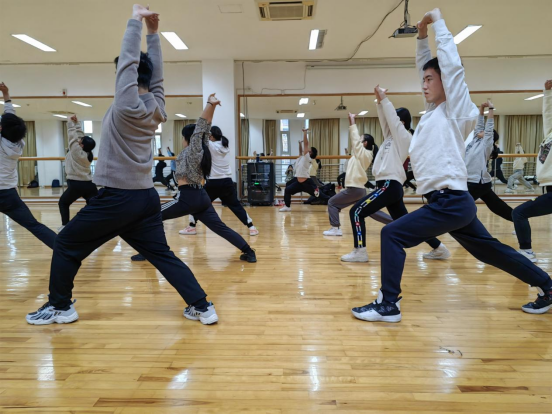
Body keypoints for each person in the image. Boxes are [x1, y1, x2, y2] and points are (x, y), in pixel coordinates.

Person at [351, 9, 552, 323]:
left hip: (450, 201)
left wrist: (439, 24)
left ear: (445, 81)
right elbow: (427, 66)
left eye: (430, 79)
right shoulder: (433, 113)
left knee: (392, 234)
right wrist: (420, 38)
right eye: (423, 80)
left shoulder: (456, 110)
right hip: (450, 202)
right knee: (489, 250)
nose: (424, 84)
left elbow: (452, 68)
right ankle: (548, 286)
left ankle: (388, 304)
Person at [26, 5, 218, 326]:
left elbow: (129, 63)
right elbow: (157, 79)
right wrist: (153, 34)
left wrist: (136, 21)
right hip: (145, 198)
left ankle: (60, 306)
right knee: (161, 255)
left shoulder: (127, 104)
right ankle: (202, 306)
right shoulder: (156, 108)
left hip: (118, 198)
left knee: (66, 244)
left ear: (124, 77)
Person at [131, 100, 257, 263]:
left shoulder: (194, 150)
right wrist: (212, 107)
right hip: (200, 197)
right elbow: (206, 127)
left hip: (188, 197)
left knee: (151, 216)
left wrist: (210, 104)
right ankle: (249, 251)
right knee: (220, 228)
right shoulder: (198, 149)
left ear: (187, 138)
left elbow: (202, 126)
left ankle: (150, 252)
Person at [341, 86, 446, 263]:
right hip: (389, 186)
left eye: (395, 120)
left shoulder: (405, 137)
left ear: (401, 123)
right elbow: (385, 120)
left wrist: (384, 98)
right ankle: (439, 247)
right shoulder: (391, 137)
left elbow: (391, 119)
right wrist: (378, 102)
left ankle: (360, 251)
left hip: (389, 184)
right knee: (407, 222)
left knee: (356, 212)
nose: (390, 123)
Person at [0, 82, 57, 249]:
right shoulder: (18, 142)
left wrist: (6, 95)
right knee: (33, 225)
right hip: (8, 195)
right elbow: (10, 119)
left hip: (7, 193)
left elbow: (9, 119)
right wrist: (6, 95)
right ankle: (63, 250)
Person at [179, 126, 259, 237]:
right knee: (235, 205)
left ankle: (192, 226)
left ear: (211, 136)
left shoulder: (211, 145)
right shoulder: (225, 145)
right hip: (227, 182)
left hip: (213, 183)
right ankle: (251, 227)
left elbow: (201, 137)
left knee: (197, 202)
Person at [323, 113, 393, 237]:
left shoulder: (365, 154)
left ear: (365, 143)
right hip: (358, 189)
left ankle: (335, 228)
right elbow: (355, 145)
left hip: (355, 189)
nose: (357, 142)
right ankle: (394, 223)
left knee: (332, 203)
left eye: (361, 140)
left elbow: (355, 141)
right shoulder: (361, 154)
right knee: (371, 210)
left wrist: (352, 122)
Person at [512, 79, 552, 263]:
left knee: (519, 213)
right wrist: (547, 93)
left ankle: (526, 251)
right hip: (548, 189)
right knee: (519, 213)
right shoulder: (549, 134)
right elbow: (548, 115)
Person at [465, 101, 513, 222]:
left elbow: (489, 126)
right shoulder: (475, 140)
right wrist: (481, 109)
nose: (481, 130)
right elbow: (479, 124)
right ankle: (518, 218)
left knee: (461, 206)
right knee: (497, 206)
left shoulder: (486, 145)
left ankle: (518, 219)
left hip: (477, 183)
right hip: (474, 182)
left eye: (484, 131)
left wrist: (491, 109)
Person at [58, 115, 98, 231]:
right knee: (94, 205)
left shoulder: (76, 152)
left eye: (80, 141)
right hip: (89, 184)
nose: (79, 140)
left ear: (82, 145)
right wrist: (77, 123)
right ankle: (93, 224)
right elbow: (80, 137)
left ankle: (65, 226)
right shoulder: (88, 153)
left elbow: (72, 137)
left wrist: (70, 123)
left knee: (63, 203)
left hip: (76, 184)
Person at [279, 129, 327, 211]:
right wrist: (299, 144)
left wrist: (305, 133)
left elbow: (306, 144)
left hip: (306, 183)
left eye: (309, 150)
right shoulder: (302, 157)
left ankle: (331, 201)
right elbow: (300, 151)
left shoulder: (307, 157)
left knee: (319, 195)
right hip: (298, 182)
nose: (307, 150)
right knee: (287, 189)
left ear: (310, 153)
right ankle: (287, 206)